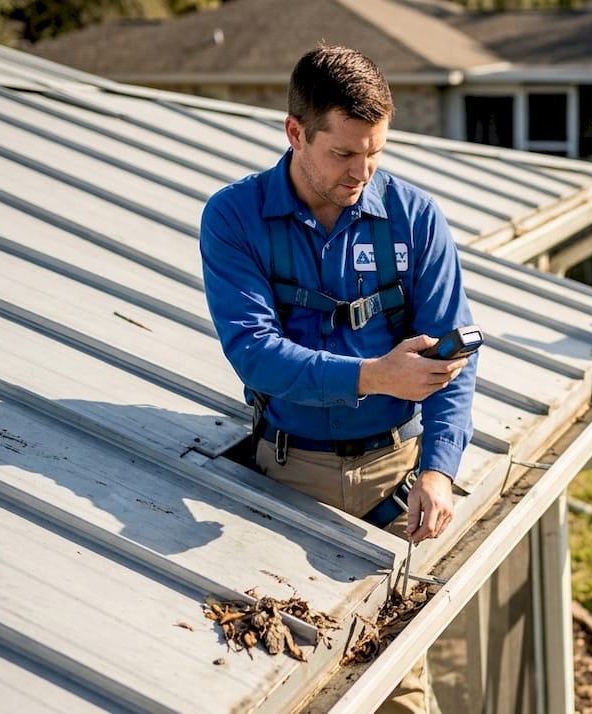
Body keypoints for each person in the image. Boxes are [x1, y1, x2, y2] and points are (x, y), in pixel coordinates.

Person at [199, 44, 477, 714]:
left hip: (395, 480)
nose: (364, 170)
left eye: (376, 152)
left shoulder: (414, 218)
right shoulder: (234, 219)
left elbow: (455, 361)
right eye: (345, 153)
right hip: (288, 475)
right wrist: (375, 375)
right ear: (296, 132)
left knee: (398, 684)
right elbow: (255, 354)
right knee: (290, 676)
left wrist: (439, 470)